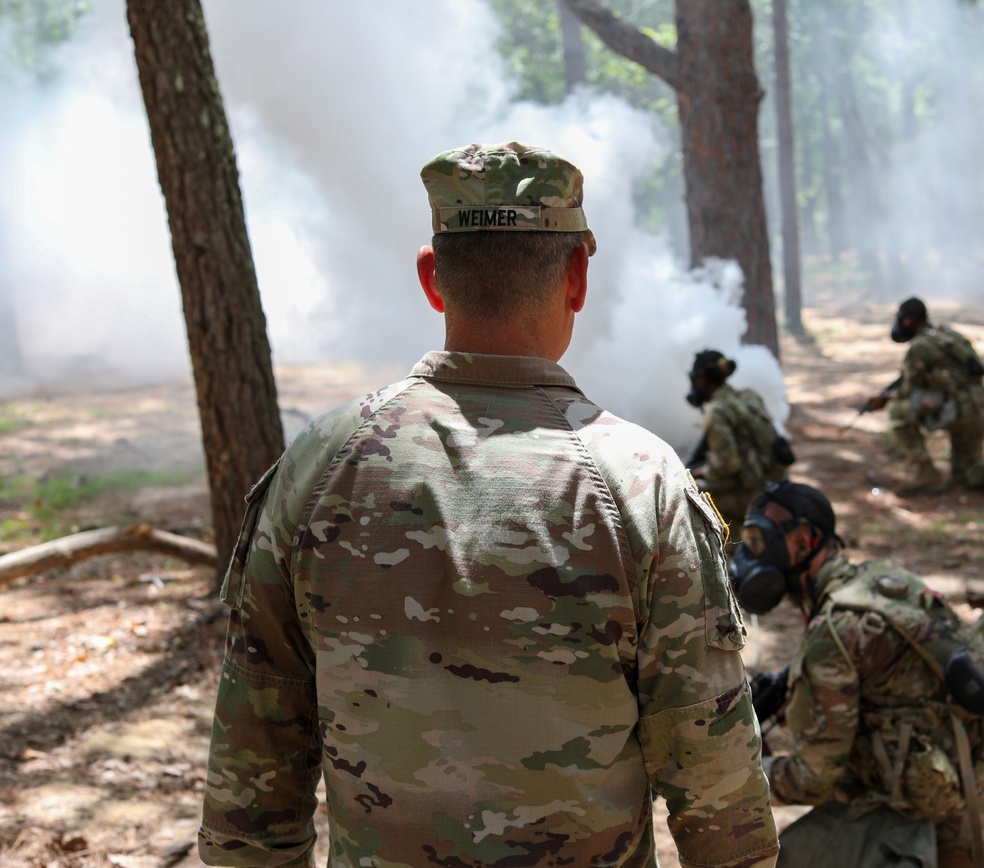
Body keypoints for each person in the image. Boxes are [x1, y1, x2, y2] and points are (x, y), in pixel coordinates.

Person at [197, 142, 778, 868]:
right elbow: (717, 791)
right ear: (577, 277)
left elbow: (250, 791)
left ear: (431, 277)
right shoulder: (642, 483)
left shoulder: (317, 465)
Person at [731, 480, 984, 868]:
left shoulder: (833, 632)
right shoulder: (879, 580)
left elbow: (813, 780)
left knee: (798, 857)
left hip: (950, 819)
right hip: (964, 773)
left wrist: (734, 781)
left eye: (759, 541)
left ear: (803, 542)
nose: (751, 556)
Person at [864, 297, 984, 493]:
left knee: (899, 413)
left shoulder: (920, 347)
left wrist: (885, 400)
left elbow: (908, 390)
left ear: (909, 321)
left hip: (960, 410)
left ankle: (927, 473)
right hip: (977, 408)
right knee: (967, 474)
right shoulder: (947, 334)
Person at [685, 349, 794, 544]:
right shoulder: (748, 396)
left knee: (691, 493)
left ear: (702, 380)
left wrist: (702, 472)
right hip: (776, 485)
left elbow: (729, 464)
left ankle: (730, 548)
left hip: (753, 496)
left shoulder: (717, 410)